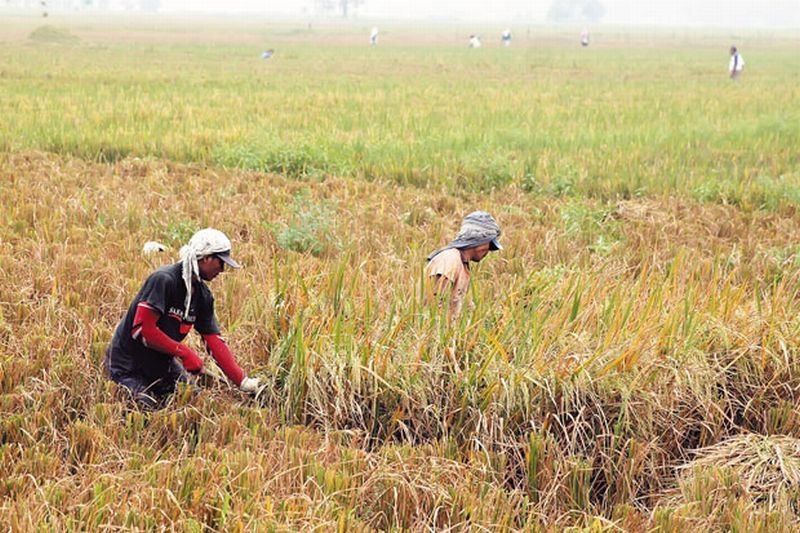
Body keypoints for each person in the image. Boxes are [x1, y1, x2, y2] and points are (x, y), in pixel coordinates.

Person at [105, 228, 261, 409]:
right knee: (145, 406)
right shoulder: (164, 280)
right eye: (221, 262)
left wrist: (243, 381)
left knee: (192, 401)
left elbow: (214, 342)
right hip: (128, 364)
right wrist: (184, 353)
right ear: (206, 258)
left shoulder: (203, 296)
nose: (222, 270)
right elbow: (143, 330)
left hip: (161, 363)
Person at [425, 211, 503, 319]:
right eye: (489, 245)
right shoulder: (449, 261)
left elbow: (461, 304)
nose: (488, 251)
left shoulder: (462, 263)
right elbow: (435, 305)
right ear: (480, 242)